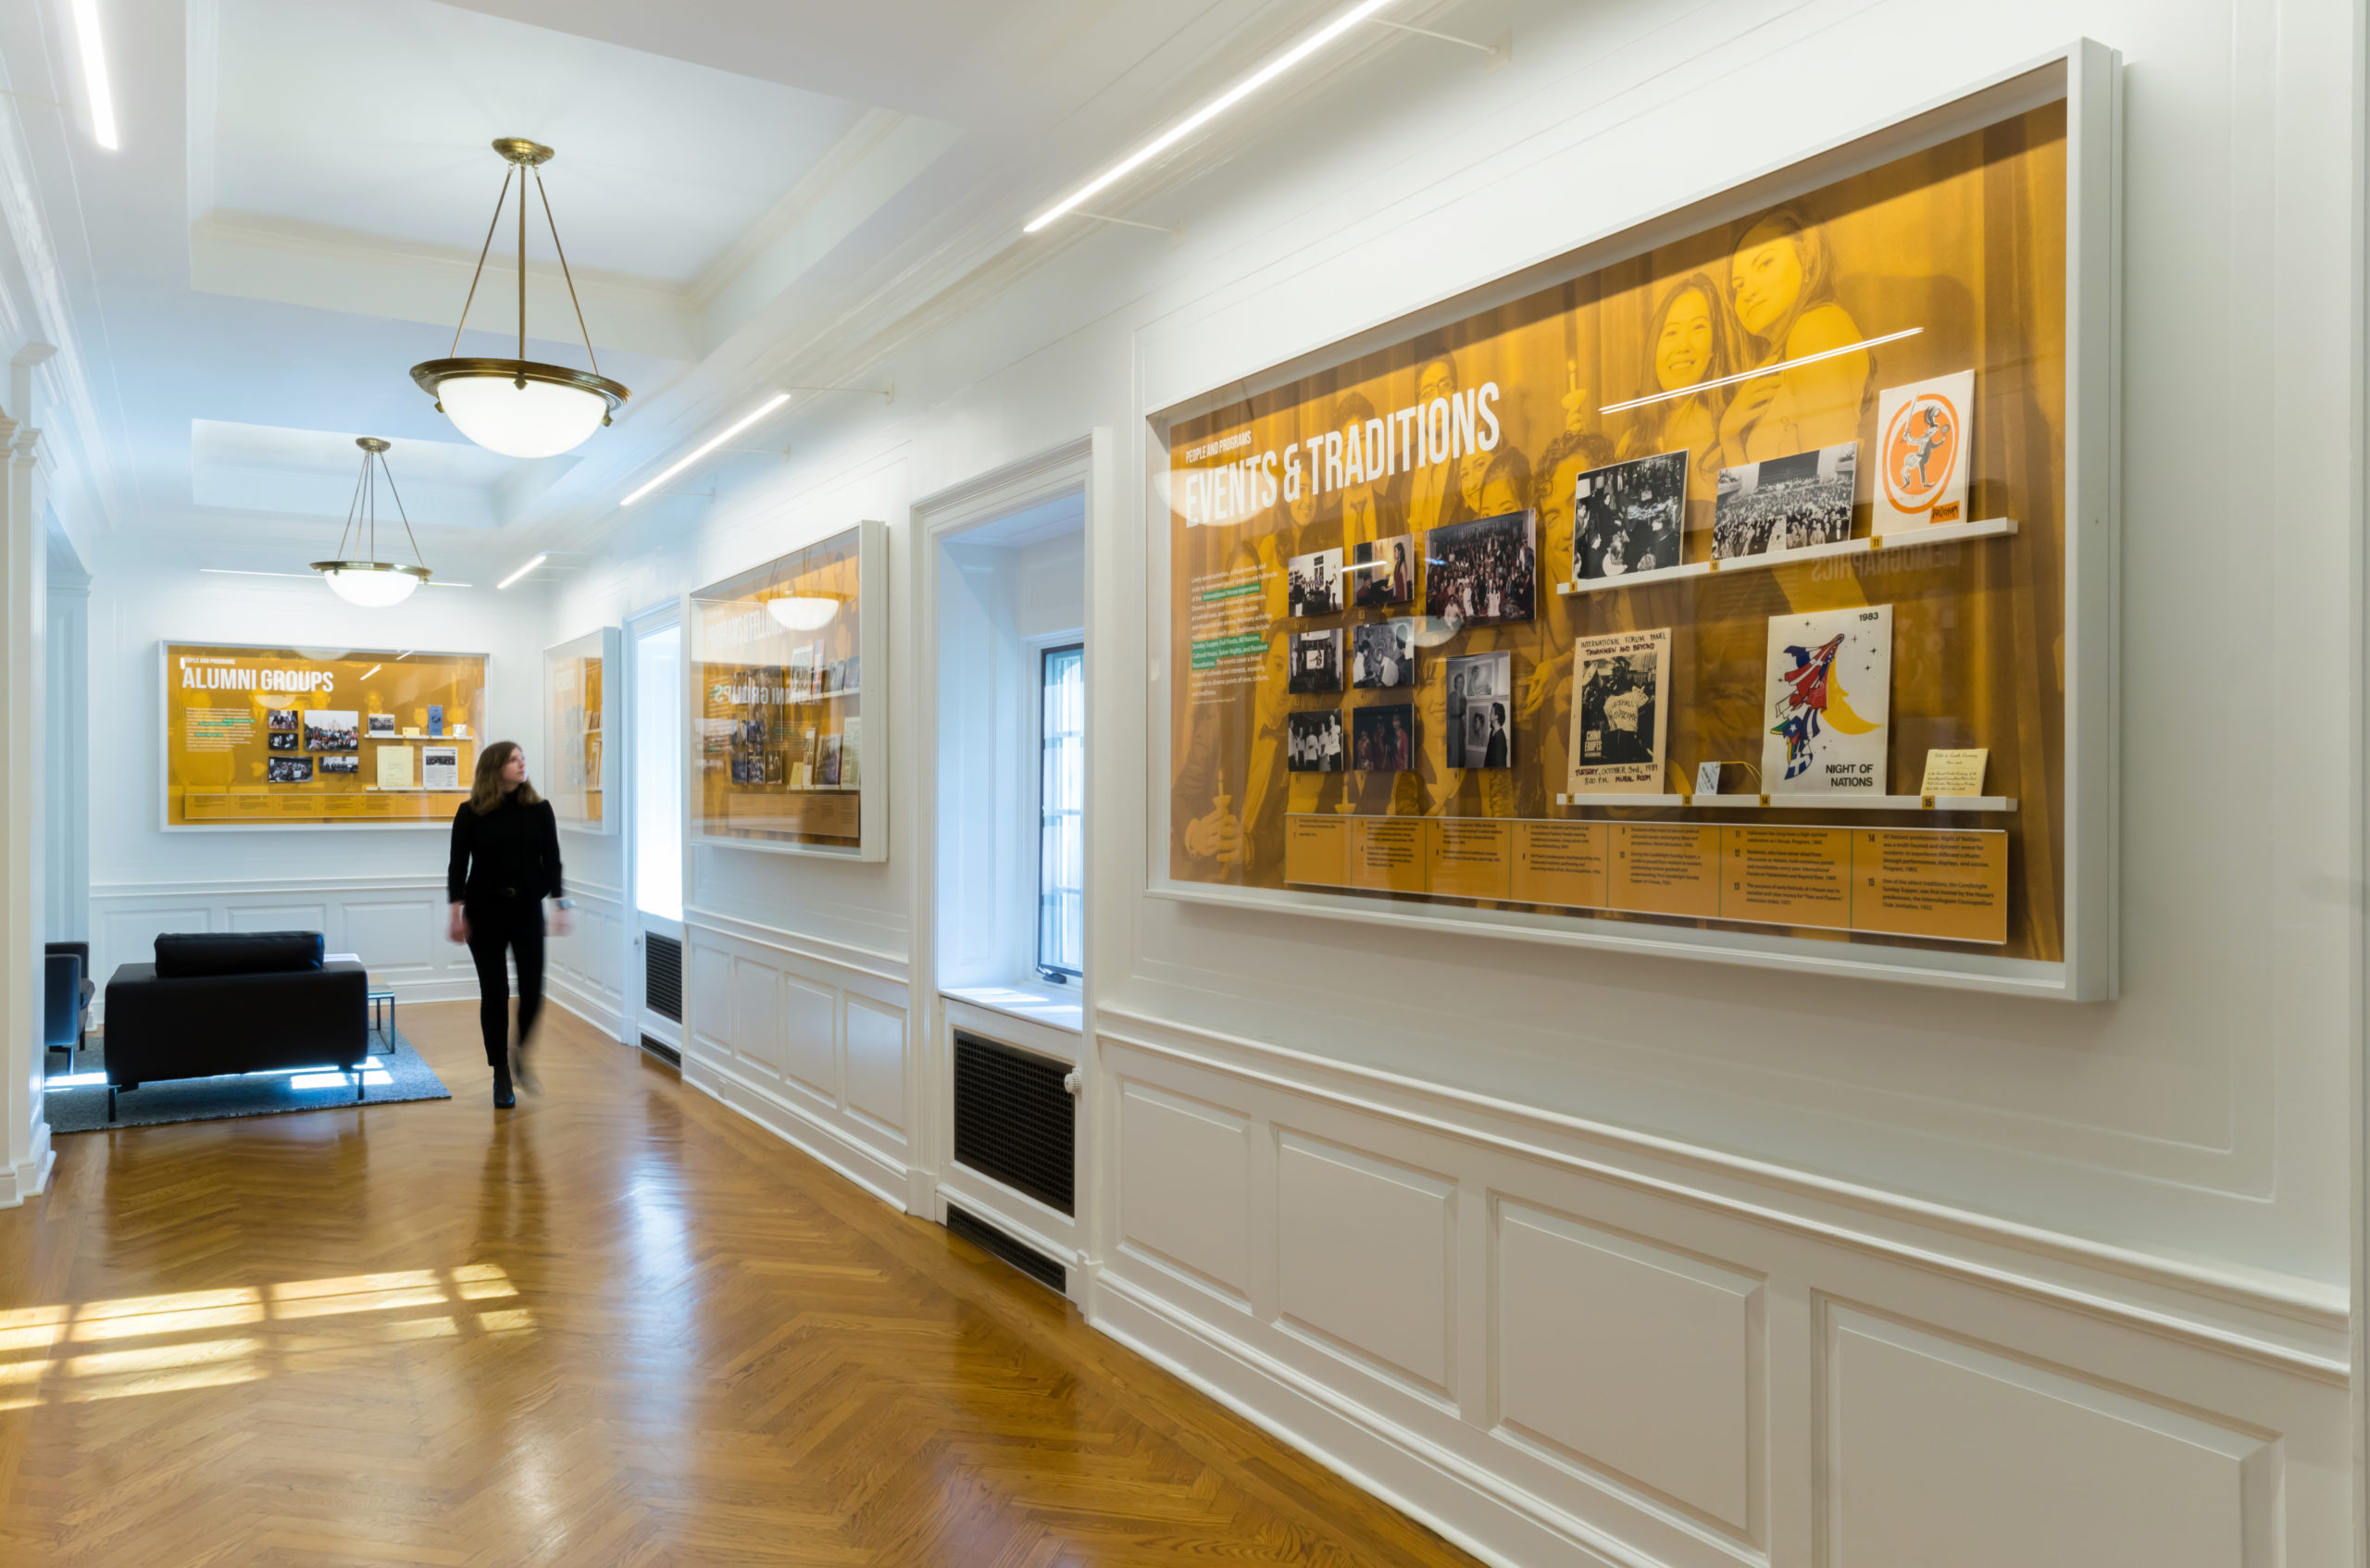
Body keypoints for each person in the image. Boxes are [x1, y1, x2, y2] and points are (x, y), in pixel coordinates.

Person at [446, 741, 570, 1108]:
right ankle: (500, 1072)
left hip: (527, 910)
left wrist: (560, 904)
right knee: (495, 993)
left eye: (522, 759)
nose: (522, 764)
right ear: (495, 767)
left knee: (533, 990)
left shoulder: (539, 809)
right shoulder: (470, 813)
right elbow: (457, 865)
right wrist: (455, 912)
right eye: (513, 759)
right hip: (484, 913)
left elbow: (554, 859)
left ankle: (520, 1051)